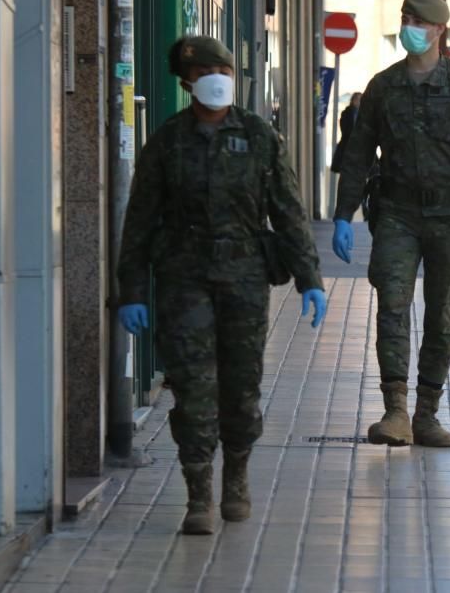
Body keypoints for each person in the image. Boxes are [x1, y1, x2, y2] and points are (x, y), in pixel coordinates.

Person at [116, 35, 327, 535]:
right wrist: (131, 291)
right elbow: (140, 221)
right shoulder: (167, 141)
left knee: (240, 386)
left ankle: (236, 473)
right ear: (188, 81)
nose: (217, 79)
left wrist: (309, 278)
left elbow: (289, 212)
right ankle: (198, 495)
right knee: (191, 389)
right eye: (207, 71)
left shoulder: (258, 136)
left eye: (226, 71)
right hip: (183, 280)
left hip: (244, 281)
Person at [331, 0, 450, 448]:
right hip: (398, 213)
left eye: (419, 23)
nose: (411, 29)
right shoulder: (384, 87)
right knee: (392, 305)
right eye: (406, 20)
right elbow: (359, 153)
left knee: (442, 314)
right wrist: (343, 214)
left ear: (440, 29)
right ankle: (395, 411)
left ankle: (427, 413)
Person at [330, 92, 362, 174]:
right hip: (348, 147)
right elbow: (345, 129)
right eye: (358, 99)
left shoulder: (363, 114)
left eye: (360, 100)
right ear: (353, 101)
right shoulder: (346, 113)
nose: (359, 102)